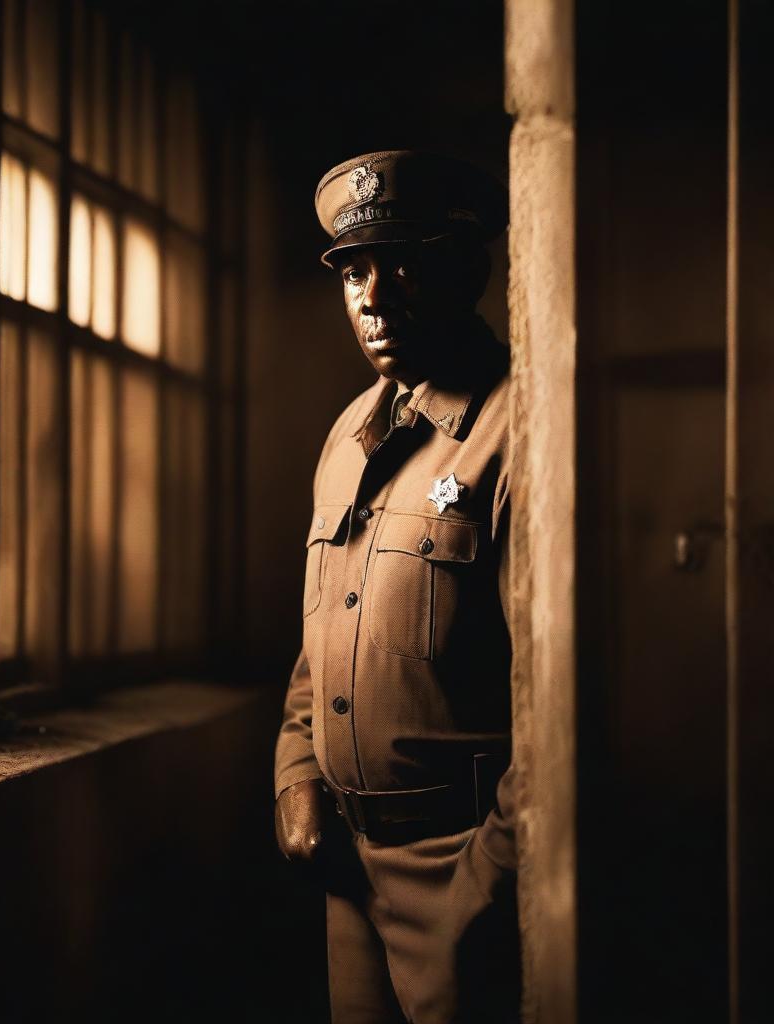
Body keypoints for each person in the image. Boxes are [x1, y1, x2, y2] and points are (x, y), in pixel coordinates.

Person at [273, 150, 521, 1024]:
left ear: (467, 269)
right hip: (347, 866)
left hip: (461, 868)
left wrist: (486, 883)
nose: (373, 298)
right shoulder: (349, 435)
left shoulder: (515, 432)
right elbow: (318, 654)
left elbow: (563, 705)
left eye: (403, 263)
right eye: (354, 272)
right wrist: (297, 774)